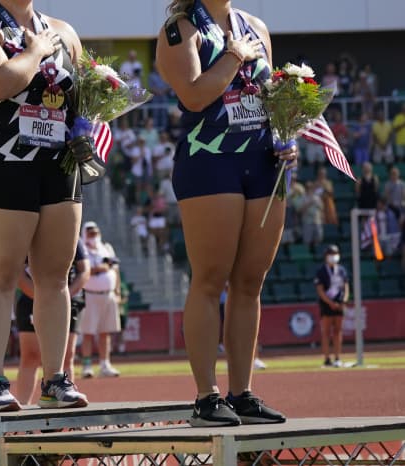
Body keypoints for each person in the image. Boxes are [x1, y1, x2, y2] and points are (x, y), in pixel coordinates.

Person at [155, 0, 295, 426]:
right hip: (210, 158)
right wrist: (234, 55)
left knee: (251, 281)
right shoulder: (179, 29)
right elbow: (195, 95)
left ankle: (243, 392)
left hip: (264, 158)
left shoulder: (255, 26)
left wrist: (288, 129)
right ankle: (206, 397)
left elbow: (268, 93)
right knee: (210, 277)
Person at [0, 0, 89, 412]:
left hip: (58, 162)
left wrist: (91, 125)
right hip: (4, 160)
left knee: (55, 277)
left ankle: (56, 380)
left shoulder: (63, 30)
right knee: (1, 273)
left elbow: (83, 95)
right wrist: (34, 53)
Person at [15, 238, 90, 405]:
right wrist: (43, 300)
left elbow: (84, 270)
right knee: (30, 356)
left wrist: (64, 299)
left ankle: (66, 400)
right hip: (31, 299)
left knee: (67, 355)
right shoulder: (28, 235)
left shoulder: (69, 234)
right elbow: (18, 273)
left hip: (68, 300)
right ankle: (21, 406)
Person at [80, 222, 122, 378]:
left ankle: (105, 364)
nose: (94, 235)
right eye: (90, 232)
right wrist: (100, 268)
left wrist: (117, 291)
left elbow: (115, 269)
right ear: (85, 233)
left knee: (105, 332)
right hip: (90, 294)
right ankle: (87, 365)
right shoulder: (82, 248)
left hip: (108, 294)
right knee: (88, 332)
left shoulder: (106, 247)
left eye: (96, 232)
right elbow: (82, 270)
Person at [314, 245, 349, 368]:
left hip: (339, 303)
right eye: (331, 254)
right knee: (326, 332)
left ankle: (338, 357)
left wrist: (343, 301)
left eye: (335, 253)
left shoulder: (341, 270)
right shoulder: (321, 271)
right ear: (326, 256)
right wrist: (330, 303)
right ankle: (327, 358)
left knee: (338, 331)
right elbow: (320, 290)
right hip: (327, 304)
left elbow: (346, 286)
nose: (333, 256)